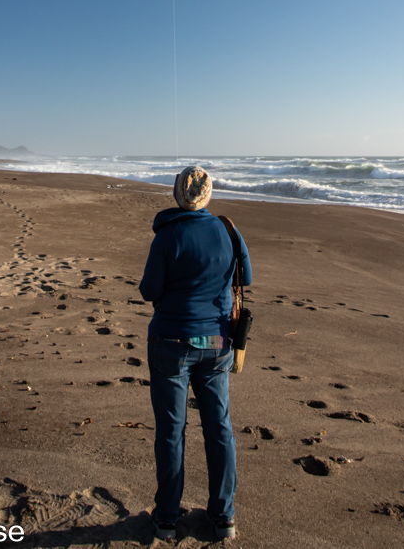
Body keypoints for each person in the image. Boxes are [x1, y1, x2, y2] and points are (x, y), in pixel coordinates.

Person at [140, 165, 252, 542]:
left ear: (177, 193)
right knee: (219, 428)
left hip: (170, 343)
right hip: (217, 344)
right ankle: (224, 517)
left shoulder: (167, 236)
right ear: (208, 196)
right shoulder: (228, 230)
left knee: (171, 432)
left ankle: (168, 519)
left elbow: (149, 290)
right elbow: (245, 277)